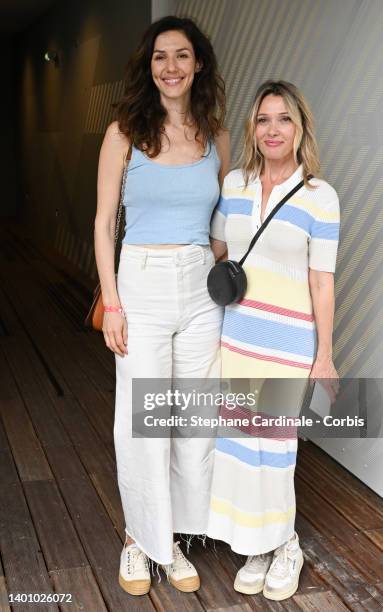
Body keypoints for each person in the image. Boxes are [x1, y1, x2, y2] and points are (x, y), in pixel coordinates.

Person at [94, 16, 229, 596]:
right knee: (143, 423)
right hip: (141, 283)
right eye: (159, 57)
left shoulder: (215, 137)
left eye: (181, 55)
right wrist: (115, 304)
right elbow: (102, 225)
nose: (170, 66)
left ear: (198, 64)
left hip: (201, 286)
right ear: (148, 67)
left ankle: (170, 537)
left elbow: (220, 230)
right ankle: (139, 539)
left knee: (193, 421)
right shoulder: (124, 131)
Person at [207, 80, 340, 601]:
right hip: (236, 337)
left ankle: (285, 543)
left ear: (299, 126)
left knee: (275, 446)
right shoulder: (235, 183)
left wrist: (323, 355)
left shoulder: (319, 195)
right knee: (240, 444)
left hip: (287, 342)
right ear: (253, 129)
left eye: (283, 119)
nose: (273, 129)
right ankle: (256, 545)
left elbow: (322, 281)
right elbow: (217, 247)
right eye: (263, 119)